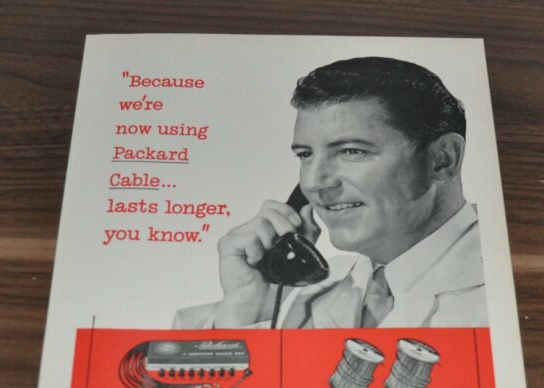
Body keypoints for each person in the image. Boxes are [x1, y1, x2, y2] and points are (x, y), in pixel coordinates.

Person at [174, 57, 487, 329]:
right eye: (305, 155)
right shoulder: (311, 289)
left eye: (351, 151)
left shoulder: (501, 283)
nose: (313, 182)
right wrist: (250, 308)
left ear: (442, 159)